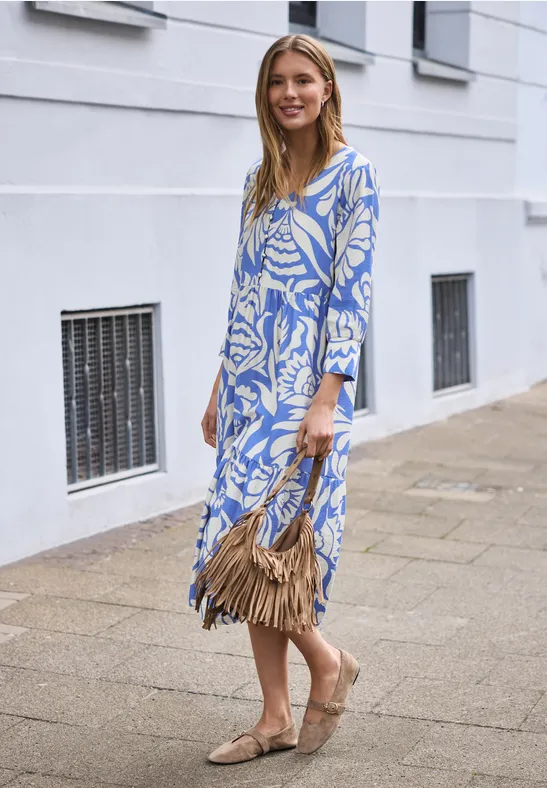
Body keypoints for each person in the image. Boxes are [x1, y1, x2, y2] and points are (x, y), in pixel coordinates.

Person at [189, 33, 379, 764]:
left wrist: (326, 400)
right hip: (246, 388)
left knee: (266, 548)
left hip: (304, 393)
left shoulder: (352, 174)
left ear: (327, 88)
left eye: (304, 79)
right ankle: (274, 716)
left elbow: (349, 297)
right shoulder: (259, 179)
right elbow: (243, 293)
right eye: (277, 81)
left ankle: (325, 663)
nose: (289, 93)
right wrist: (217, 388)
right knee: (240, 548)